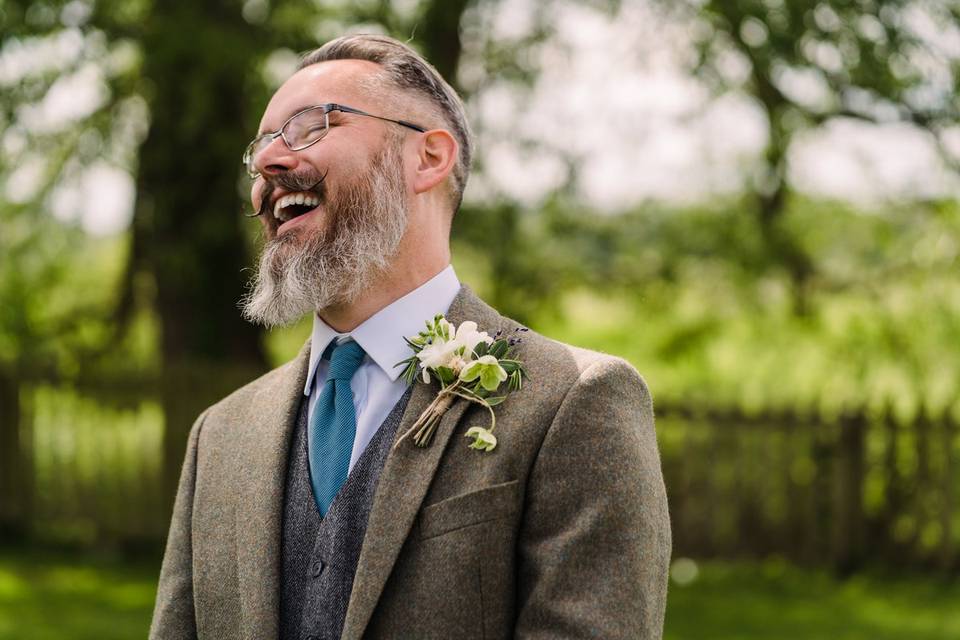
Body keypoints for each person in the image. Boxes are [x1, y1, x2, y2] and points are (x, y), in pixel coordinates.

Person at [150, 34, 670, 640]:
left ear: (428, 158)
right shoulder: (220, 435)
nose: (269, 164)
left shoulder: (575, 402)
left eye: (310, 126)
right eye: (261, 147)